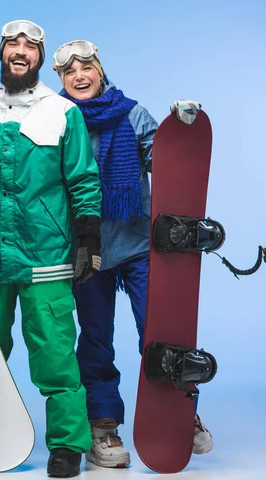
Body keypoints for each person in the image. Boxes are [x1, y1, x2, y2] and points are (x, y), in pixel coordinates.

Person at [0, 21, 103, 478]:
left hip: (46, 261)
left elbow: (84, 179)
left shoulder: (62, 113)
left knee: (55, 357)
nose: (21, 51)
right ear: (2, 53)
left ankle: (68, 444)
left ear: (38, 57)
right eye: (13, 43)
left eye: (30, 46)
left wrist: (88, 238)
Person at [53, 39, 213, 468]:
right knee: (96, 339)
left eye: (86, 67)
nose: (80, 76)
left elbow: (166, 162)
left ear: (100, 71)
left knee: (160, 333)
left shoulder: (133, 114)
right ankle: (103, 428)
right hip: (88, 250)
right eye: (70, 72)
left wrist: (182, 129)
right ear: (62, 80)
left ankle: (180, 413)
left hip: (139, 244)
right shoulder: (55, 119)